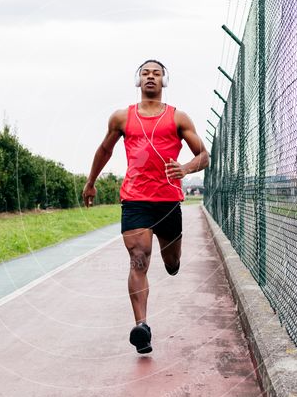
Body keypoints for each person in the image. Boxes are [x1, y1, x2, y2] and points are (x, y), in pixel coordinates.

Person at [82, 60, 209, 355]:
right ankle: (142, 326)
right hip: (136, 199)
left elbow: (203, 155)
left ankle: (173, 261)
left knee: (171, 263)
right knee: (138, 258)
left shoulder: (178, 118)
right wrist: (91, 181)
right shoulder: (121, 118)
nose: (151, 77)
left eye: (157, 73)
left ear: (164, 81)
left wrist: (186, 168)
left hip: (167, 202)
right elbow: (105, 150)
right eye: (145, 73)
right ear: (138, 81)